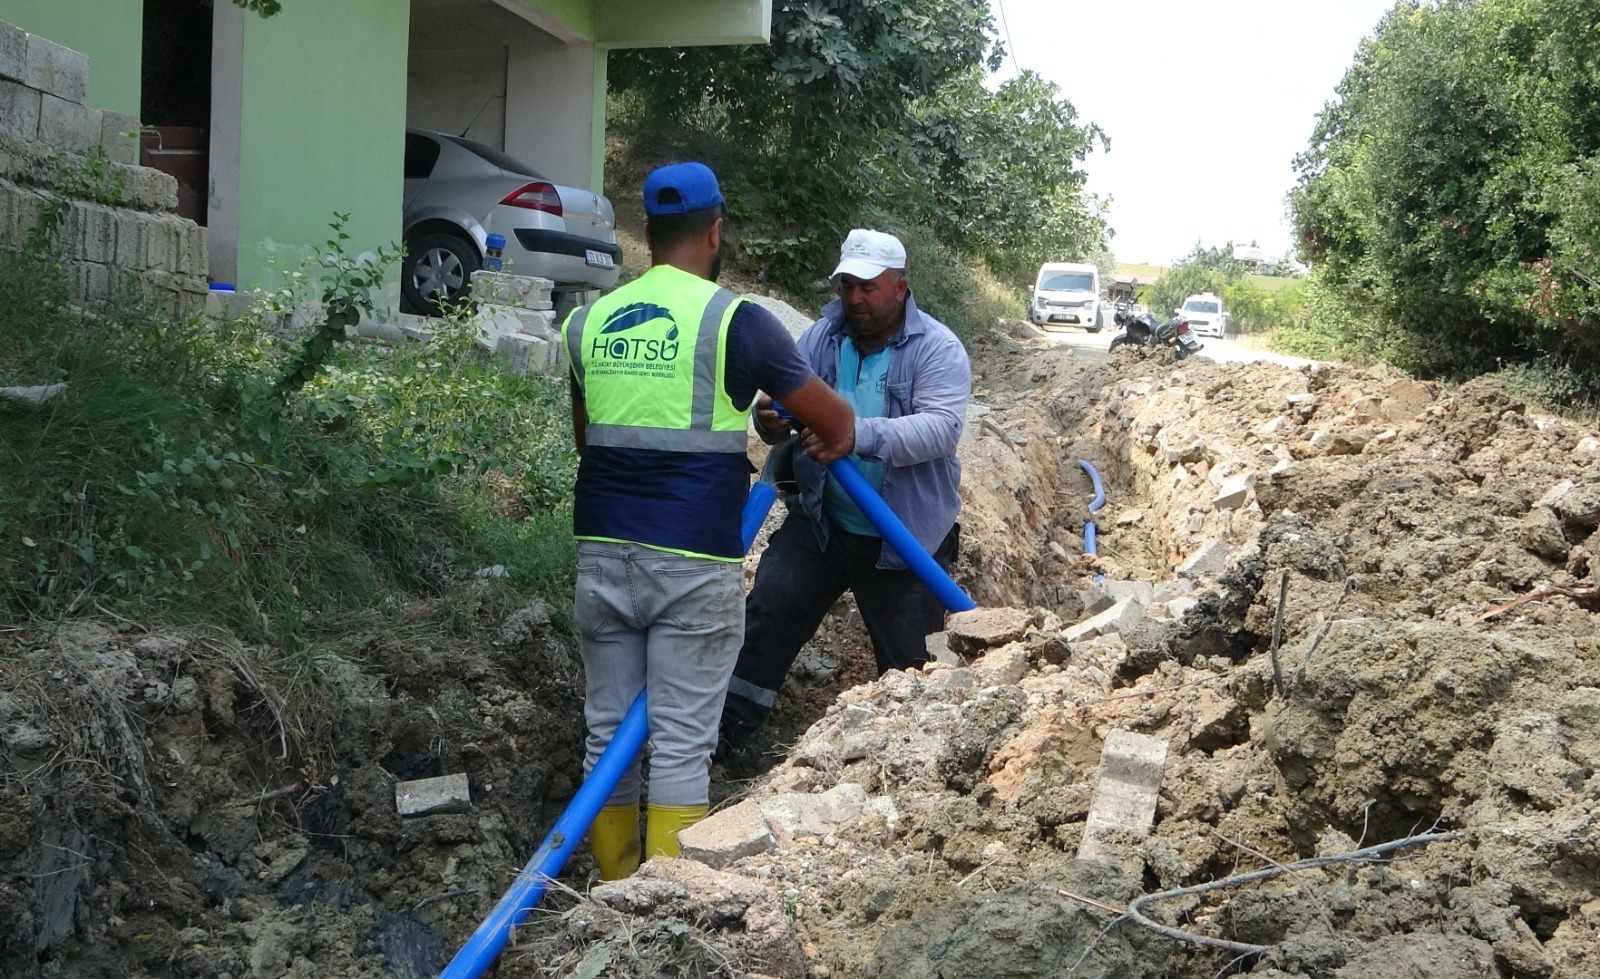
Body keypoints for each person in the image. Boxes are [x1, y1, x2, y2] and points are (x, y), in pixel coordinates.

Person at [562, 162, 854, 880]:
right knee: (684, 742)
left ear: (648, 232)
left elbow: (587, 438)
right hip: (692, 560)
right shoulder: (736, 321)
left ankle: (615, 890)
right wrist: (814, 426)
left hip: (602, 551)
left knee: (608, 737)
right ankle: (657, 916)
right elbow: (835, 420)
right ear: (715, 230)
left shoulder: (588, 321)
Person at [718, 228, 971, 750]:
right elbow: (782, 412)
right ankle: (722, 736)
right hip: (823, 524)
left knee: (912, 667)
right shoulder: (819, 338)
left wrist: (855, 433)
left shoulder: (938, 349)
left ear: (900, 288)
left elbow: (941, 429)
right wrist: (770, 421)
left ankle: (907, 757)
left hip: (903, 538)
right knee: (767, 613)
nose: (854, 299)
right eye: (847, 286)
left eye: (868, 288)